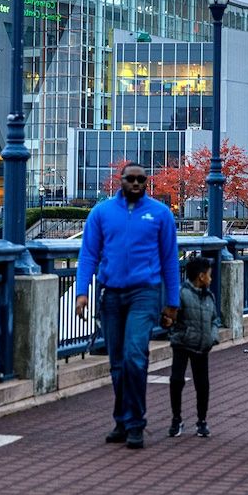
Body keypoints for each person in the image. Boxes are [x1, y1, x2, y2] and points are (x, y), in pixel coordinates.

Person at [75, 162, 181, 450]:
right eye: (130, 179)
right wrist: (81, 292)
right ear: (119, 181)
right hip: (111, 294)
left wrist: (173, 302)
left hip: (144, 293)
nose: (136, 183)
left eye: (141, 179)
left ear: (147, 182)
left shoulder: (160, 214)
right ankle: (121, 420)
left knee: (135, 355)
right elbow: (88, 254)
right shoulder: (102, 213)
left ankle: (136, 423)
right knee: (118, 362)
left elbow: (170, 260)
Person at [168, 255, 219, 439]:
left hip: (202, 345)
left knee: (202, 384)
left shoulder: (209, 296)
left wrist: (213, 336)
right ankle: (176, 418)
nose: (211, 278)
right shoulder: (181, 293)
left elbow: (214, 319)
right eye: (209, 275)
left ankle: (202, 420)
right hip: (182, 343)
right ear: (201, 276)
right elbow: (171, 316)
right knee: (176, 380)